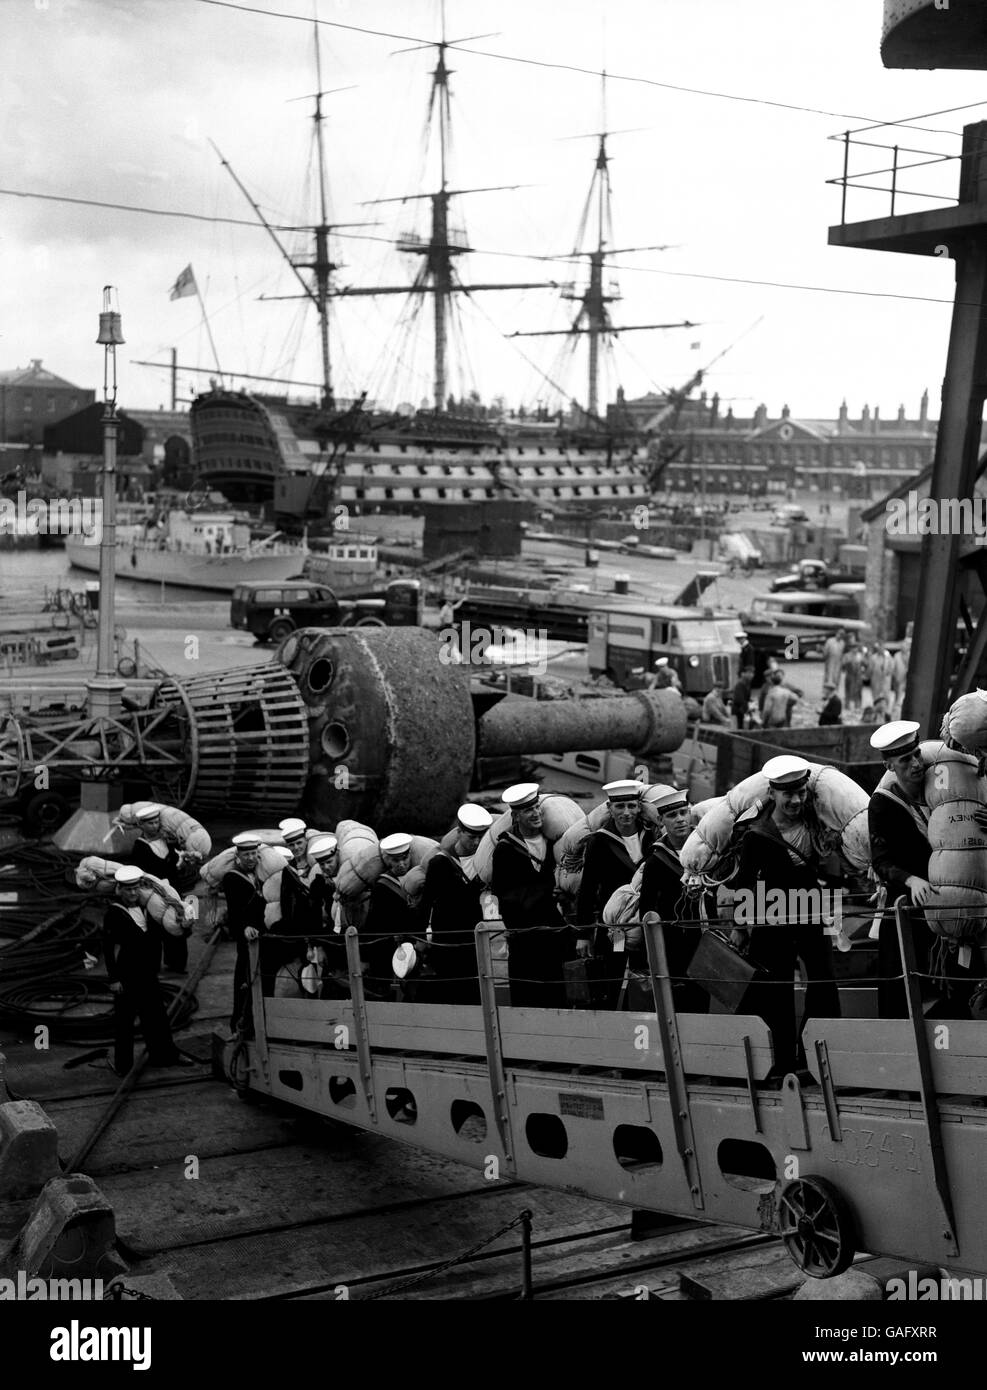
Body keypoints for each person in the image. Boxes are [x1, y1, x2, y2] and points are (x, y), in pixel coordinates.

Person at [729, 755, 841, 1077]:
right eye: (787, 794)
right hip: (771, 918)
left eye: (801, 792)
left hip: (812, 913)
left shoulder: (817, 821)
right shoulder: (756, 833)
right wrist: (740, 925)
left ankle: (814, 1057)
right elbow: (745, 883)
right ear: (773, 793)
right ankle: (780, 1061)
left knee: (823, 982)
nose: (795, 800)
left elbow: (834, 866)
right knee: (774, 990)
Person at [868, 722, 952, 1018]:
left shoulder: (941, 788)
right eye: (905, 760)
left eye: (917, 755)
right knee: (903, 989)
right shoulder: (882, 804)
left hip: (945, 905)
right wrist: (910, 879)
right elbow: (880, 861)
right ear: (889, 765)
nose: (916, 764)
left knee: (950, 988)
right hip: (907, 911)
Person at [103, 865, 194, 1076]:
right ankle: (123, 1065)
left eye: (135, 889)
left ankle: (164, 1056)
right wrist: (114, 979)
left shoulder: (151, 909)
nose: (132, 893)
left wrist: (185, 925)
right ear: (119, 889)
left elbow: (169, 934)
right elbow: (108, 948)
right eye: (128, 890)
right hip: (127, 976)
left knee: (156, 1017)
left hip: (149, 973)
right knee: (124, 1022)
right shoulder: (114, 913)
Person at [575, 781, 659, 1004]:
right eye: (620, 807)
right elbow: (588, 888)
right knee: (610, 977)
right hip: (616, 928)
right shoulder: (599, 842)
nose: (626, 813)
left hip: (644, 924)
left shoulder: (652, 837)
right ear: (610, 809)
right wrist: (583, 934)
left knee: (645, 980)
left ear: (639, 807)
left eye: (631, 806)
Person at [490, 783, 571, 1008]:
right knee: (528, 995)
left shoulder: (553, 843)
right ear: (516, 816)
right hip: (525, 937)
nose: (535, 813)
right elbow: (503, 894)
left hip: (553, 933)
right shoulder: (506, 849)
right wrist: (546, 891)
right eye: (528, 810)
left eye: (537, 807)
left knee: (556, 994)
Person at [637, 787, 712, 1013]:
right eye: (672, 815)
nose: (680, 820)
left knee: (703, 1003)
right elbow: (647, 909)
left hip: (705, 939)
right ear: (660, 820)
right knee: (679, 1006)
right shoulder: (656, 861)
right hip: (674, 944)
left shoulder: (707, 849)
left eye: (683, 813)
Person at [418, 803, 493, 1004]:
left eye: (481, 837)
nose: (477, 842)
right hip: (447, 939)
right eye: (472, 837)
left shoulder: (485, 860)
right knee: (450, 990)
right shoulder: (440, 863)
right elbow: (427, 902)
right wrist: (420, 938)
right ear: (459, 832)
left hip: (474, 938)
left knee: (475, 989)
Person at [361, 832, 420, 998]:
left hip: (416, 947)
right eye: (396, 860)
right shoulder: (382, 886)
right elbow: (373, 924)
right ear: (388, 860)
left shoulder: (419, 877)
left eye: (405, 858)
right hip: (391, 951)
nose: (401, 864)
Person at [822, 628, 846, 695]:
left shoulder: (842, 643)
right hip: (830, 662)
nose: (840, 636)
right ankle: (825, 694)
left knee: (836, 679)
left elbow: (842, 654)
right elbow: (825, 653)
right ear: (837, 633)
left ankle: (834, 694)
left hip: (838, 663)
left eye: (842, 635)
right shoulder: (830, 641)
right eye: (840, 634)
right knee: (828, 678)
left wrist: (842, 664)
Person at [842, 641, 863, 715]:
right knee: (848, 690)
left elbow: (864, 664)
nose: (855, 649)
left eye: (856, 648)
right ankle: (847, 706)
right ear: (851, 649)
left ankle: (857, 706)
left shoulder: (860, 655)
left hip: (858, 676)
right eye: (853, 648)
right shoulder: (847, 655)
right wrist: (848, 662)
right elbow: (843, 665)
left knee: (858, 692)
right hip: (850, 675)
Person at [732, 664, 755, 730]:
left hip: (743, 710)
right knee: (739, 729)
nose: (752, 675)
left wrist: (751, 702)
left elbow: (746, 698)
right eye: (749, 673)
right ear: (743, 674)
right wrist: (748, 706)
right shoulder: (740, 684)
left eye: (752, 673)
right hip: (738, 712)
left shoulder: (747, 683)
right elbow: (739, 699)